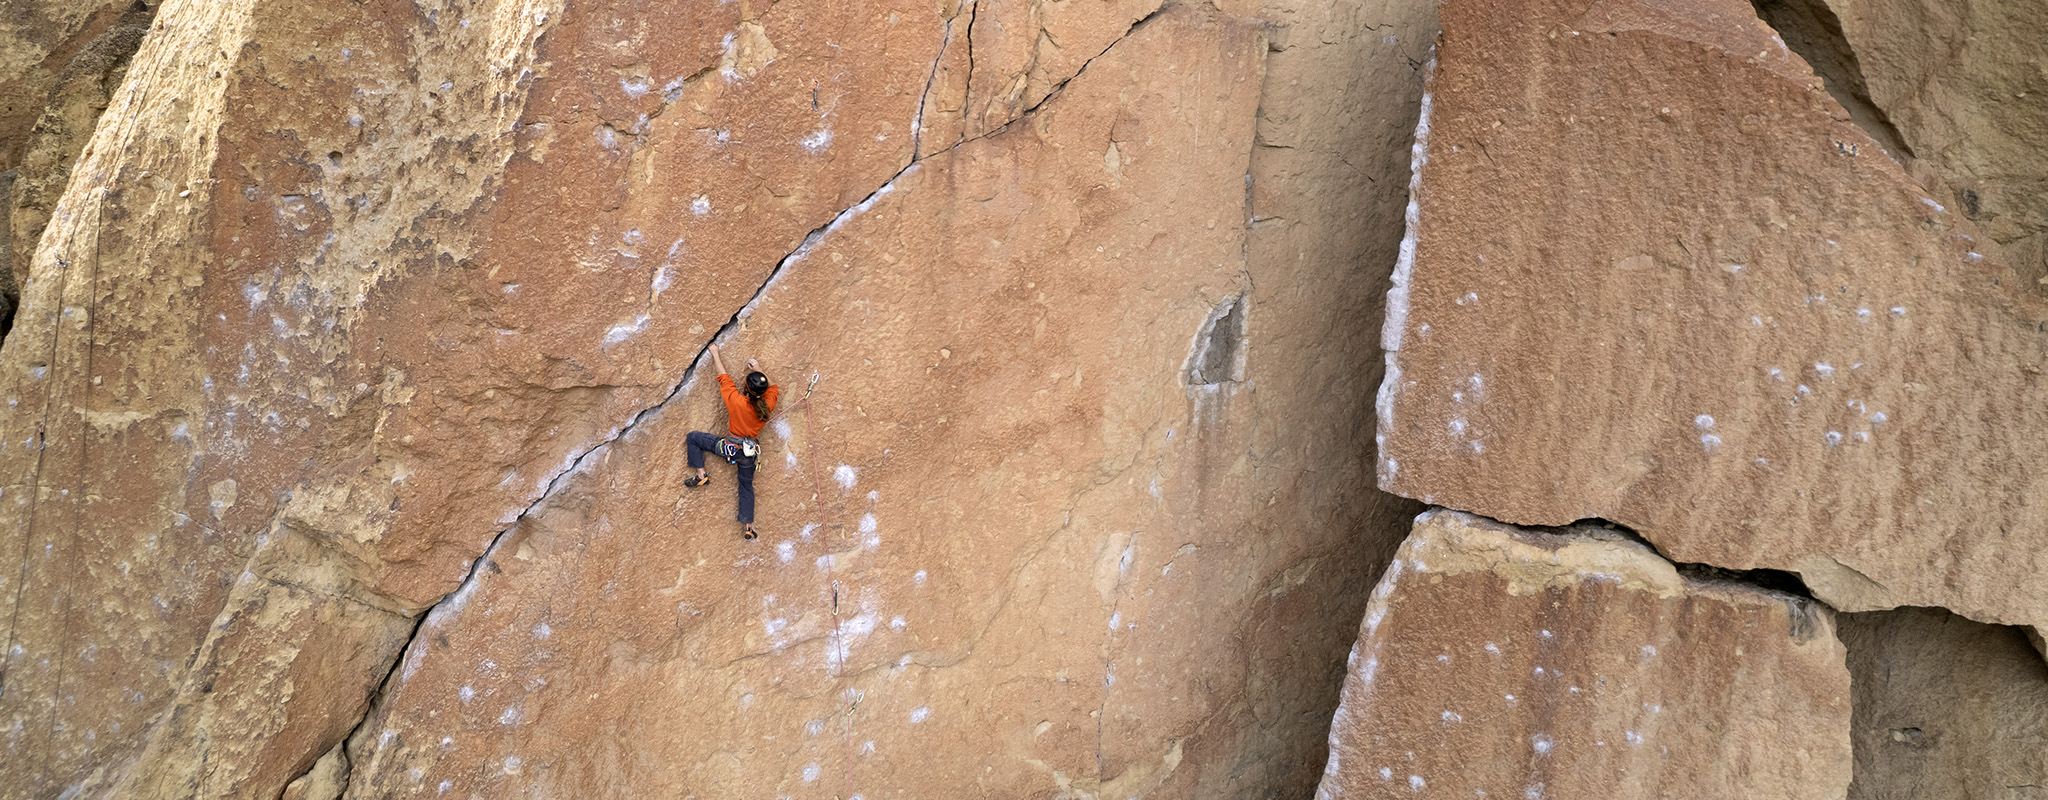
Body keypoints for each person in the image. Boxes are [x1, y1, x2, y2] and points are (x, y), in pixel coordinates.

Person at [683, 343, 779, 540]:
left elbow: (723, 378)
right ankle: (748, 527)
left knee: (693, 438)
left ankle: (701, 475)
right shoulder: (767, 404)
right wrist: (759, 369)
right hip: (748, 454)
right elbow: (773, 387)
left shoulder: (737, 402)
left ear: (746, 387)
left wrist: (715, 353)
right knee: (746, 486)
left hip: (729, 448)